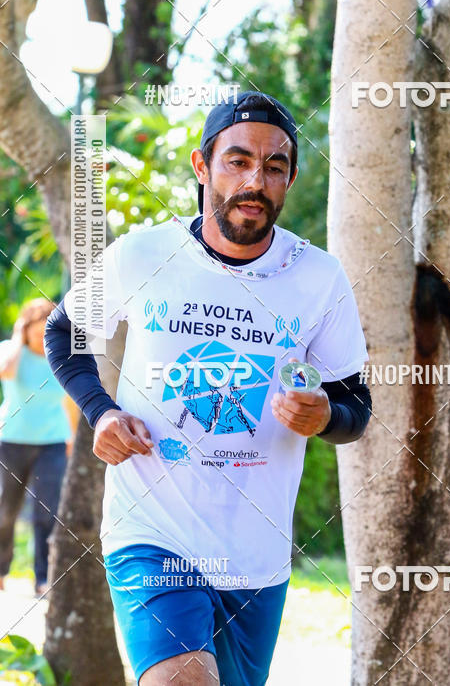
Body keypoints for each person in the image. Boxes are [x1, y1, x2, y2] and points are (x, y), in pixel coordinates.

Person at [45, 91, 371, 685]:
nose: (255, 179)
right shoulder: (144, 254)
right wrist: (102, 411)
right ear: (202, 166)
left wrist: (324, 415)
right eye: (238, 161)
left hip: (256, 555)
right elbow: (65, 331)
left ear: (291, 178)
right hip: (153, 532)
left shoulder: (319, 277)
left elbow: (358, 406)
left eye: (274, 167)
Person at [0, 298, 74, 596]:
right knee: (6, 510)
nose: (41, 335)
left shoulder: (61, 355)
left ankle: (43, 578)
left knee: (47, 511)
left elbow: (70, 401)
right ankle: (2, 570)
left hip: (52, 442)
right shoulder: (10, 350)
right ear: (26, 328)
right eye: (35, 328)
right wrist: (18, 336)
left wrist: (72, 437)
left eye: (46, 328)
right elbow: (4, 372)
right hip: (12, 440)